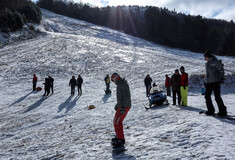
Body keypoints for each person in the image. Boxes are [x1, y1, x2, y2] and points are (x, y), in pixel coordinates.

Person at [204, 51, 227, 116]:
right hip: (209, 83)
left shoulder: (216, 62)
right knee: (207, 96)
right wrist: (205, 81)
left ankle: (223, 111)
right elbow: (207, 74)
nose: (205, 59)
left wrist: (222, 79)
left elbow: (221, 70)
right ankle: (210, 110)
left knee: (217, 97)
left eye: (205, 57)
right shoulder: (207, 64)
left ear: (209, 57)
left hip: (216, 82)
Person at [111, 73, 131, 147]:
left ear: (116, 78)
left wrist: (123, 107)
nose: (113, 81)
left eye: (113, 80)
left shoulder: (123, 84)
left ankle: (121, 139)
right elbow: (121, 97)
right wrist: (118, 105)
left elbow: (127, 96)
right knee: (115, 121)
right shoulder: (119, 85)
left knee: (118, 122)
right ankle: (119, 136)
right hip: (121, 105)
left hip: (125, 106)